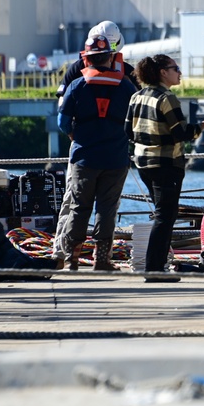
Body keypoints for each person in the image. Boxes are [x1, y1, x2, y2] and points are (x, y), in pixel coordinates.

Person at [126, 54, 204, 281]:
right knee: (166, 215)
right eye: (176, 68)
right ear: (163, 72)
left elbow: (128, 131)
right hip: (166, 164)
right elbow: (182, 133)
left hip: (143, 163)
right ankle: (154, 269)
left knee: (163, 213)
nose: (179, 72)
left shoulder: (137, 97)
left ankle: (156, 265)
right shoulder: (167, 98)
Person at [53, 20, 139, 261]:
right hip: (116, 153)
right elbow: (137, 117)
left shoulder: (76, 78)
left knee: (76, 205)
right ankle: (102, 259)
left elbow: (62, 118)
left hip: (83, 153)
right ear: (115, 51)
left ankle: (67, 256)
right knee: (107, 207)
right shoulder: (127, 81)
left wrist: (73, 135)